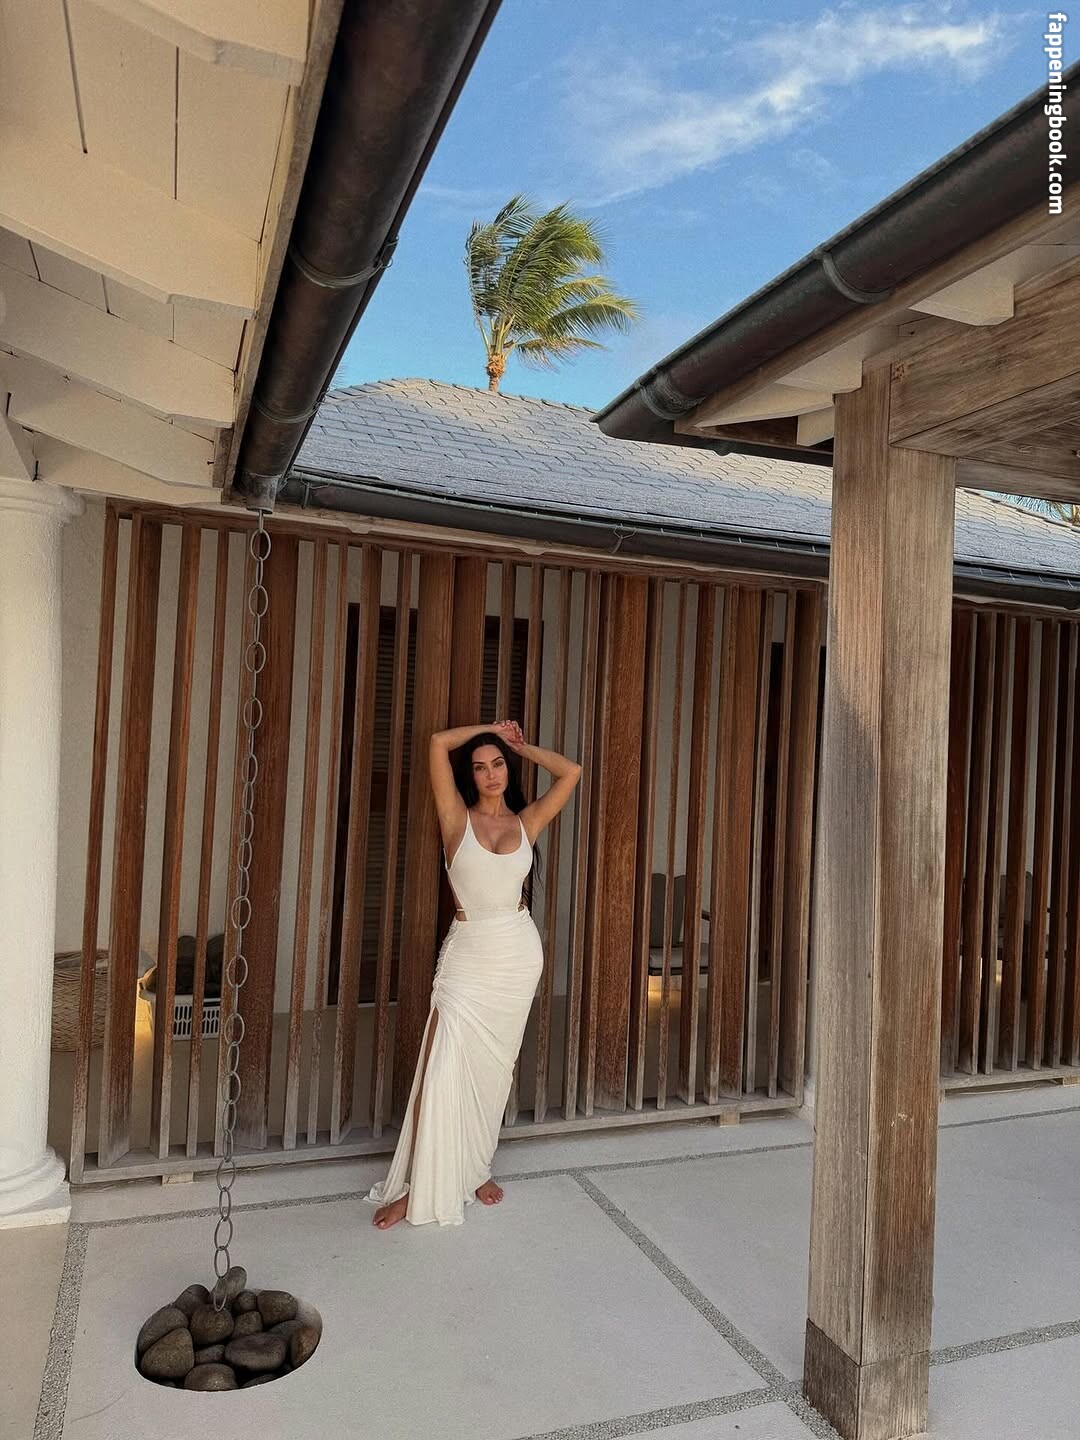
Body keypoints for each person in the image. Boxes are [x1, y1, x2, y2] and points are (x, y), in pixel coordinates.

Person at [365, 718, 582, 1228]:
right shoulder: (455, 819)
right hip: (468, 958)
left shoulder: (527, 822)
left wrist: (519, 746)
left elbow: (571, 772)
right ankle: (416, 1186)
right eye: (481, 767)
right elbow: (437, 743)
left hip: (517, 957)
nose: (491, 774)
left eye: (498, 764)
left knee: (493, 1075)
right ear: (471, 776)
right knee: (440, 1071)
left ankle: (477, 1168)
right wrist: (489, 729)